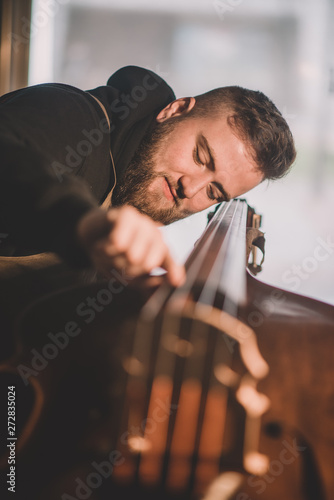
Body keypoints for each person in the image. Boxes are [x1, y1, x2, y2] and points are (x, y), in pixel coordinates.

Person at [0, 65, 296, 286]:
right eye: (200, 157)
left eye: (214, 193)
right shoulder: (70, 114)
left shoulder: (130, 190)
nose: (190, 189)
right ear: (175, 110)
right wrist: (84, 221)